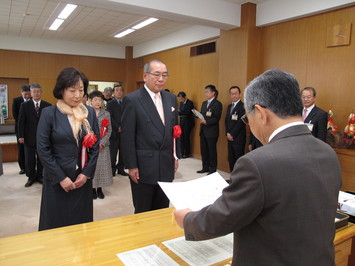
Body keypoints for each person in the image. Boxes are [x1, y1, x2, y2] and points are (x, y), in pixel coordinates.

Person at [174, 69, 342, 266]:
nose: (249, 124)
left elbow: (220, 219)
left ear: (261, 113)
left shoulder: (257, 162)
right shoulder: (328, 152)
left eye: (247, 118)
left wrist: (187, 219)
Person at [37, 67, 100, 231]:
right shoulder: (49, 113)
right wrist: (60, 177)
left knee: (81, 225)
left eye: (81, 90)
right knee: (56, 225)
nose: (78, 95)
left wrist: (86, 174)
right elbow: (43, 149)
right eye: (72, 90)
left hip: (82, 180)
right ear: (61, 90)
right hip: (57, 180)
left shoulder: (89, 113)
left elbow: (95, 147)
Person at [121, 59, 181, 214]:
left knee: (162, 209)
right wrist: (131, 165)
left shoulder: (170, 98)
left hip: (165, 162)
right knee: (143, 210)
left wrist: (175, 156)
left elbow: (176, 130)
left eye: (165, 75)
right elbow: (127, 136)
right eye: (157, 74)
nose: (161, 79)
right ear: (145, 75)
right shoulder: (132, 100)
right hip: (143, 165)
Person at [18, 83, 51, 187]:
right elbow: (21, 122)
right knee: (29, 159)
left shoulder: (48, 106)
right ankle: (31, 177)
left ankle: (40, 176)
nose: (36, 93)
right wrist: (21, 136)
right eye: (34, 91)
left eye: (38, 91)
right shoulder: (25, 106)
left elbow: (50, 123)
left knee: (41, 158)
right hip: (28, 137)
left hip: (43, 137)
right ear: (31, 93)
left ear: (41, 92)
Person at [89, 91, 113, 199]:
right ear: (90, 101)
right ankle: (92, 189)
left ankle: (100, 189)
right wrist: (92, 142)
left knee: (102, 168)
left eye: (100, 100)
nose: (98, 102)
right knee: (92, 168)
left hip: (103, 146)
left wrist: (102, 143)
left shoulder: (106, 113)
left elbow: (109, 130)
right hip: (90, 144)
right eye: (95, 100)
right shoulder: (87, 113)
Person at [197, 85, 222, 175]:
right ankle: (205, 167)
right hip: (203, 130)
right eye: (205, 92)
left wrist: (206, 121)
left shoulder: (217, 104)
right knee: (204, 150)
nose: (206, 93)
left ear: (213, 93)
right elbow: (203, 114)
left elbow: (216, 118)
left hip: (212, 131)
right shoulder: (204, 103)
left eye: (207, 92)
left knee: (212, 151)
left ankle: (212, 169)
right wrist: (198, 115)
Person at [106, 84, 128, 177]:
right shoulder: (110, 103)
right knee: (113, 153)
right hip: (114, 132)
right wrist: (117, 126)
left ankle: (121, 169)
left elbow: (128, 115)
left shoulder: (126, 102)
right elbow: (109, 117)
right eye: (117, 90)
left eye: (120, 90)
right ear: (113, 93)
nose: (119, 92)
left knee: (123, 152)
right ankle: (112, 169)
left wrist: (124, 126)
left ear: (123, 92)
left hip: (124, 131)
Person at [224, 86, 246, 172]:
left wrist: (232, 134)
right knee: (231, 158)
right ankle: (232, 177)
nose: (233, 95)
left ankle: (239, 179)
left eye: (235, 93)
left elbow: (241, 122)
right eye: (231, 94)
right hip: (229, 137)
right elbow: (226, 121)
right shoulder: (229, 106)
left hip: (238, 137)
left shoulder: (243, 106)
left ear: (240, 94)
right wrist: (227, 133)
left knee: (239, 159)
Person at [12, 84, 31, 175]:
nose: (27, 96)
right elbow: (15, 115)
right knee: (21, 148)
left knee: (31, 148)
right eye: (25, 94)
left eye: (28, 94)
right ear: (21, 92)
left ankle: (31, 167)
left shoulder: (33, 101)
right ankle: (23, 167)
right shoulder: (16, 101)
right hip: (20, 128)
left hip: (31, 129)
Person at [177, 91, 195, 158]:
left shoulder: (190, 103)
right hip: (182, 122)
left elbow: (188, 113)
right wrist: (179, 112)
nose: (180, 99)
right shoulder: (181, 103)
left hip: (188, 122)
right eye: (180, 98)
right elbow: (180, 113)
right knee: (181, 137)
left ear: (184, 97)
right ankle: (182, 152)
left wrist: (180, 112)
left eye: (181, 98)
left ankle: (186, 153)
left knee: (186, 137)